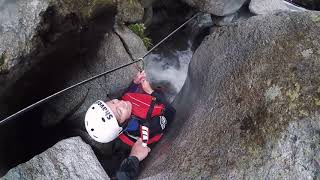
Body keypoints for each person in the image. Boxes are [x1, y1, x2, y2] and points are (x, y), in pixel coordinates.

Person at [84, 71, 176, 179]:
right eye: (119, 111)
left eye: (113, 102)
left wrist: (135, 83)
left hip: (148, 103)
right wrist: (151, 92)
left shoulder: (124, 115)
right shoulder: (148, 128)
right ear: (122, 125)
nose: (120, 103)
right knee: (163, 89)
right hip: (159, 105)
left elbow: (125, 97)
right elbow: (171, 112)